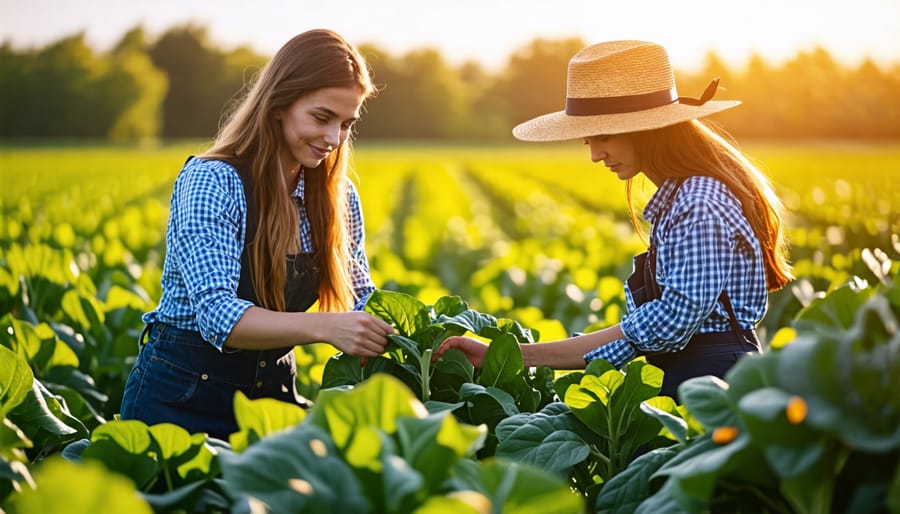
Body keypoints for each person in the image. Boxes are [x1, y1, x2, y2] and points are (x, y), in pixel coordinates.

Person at [435, 40, 792, 401]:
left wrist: (524, 356)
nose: (594, 155)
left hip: (713, 379)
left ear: (648, 129)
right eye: (587, 141)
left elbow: (672, 322)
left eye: (604, 137)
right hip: (695, 372)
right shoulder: (682, 199)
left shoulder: (698, 202)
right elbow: (647, 330)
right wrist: (515, 355)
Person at [120, 29, 394, 439]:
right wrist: (325, 326)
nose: (333, 139)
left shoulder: (339, 196)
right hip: (180, 401)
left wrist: (430, 335)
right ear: (279, 104)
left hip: (272, 403)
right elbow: (218, 317)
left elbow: (361, 296)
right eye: (321, 118)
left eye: (346, 124)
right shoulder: (212, 181)